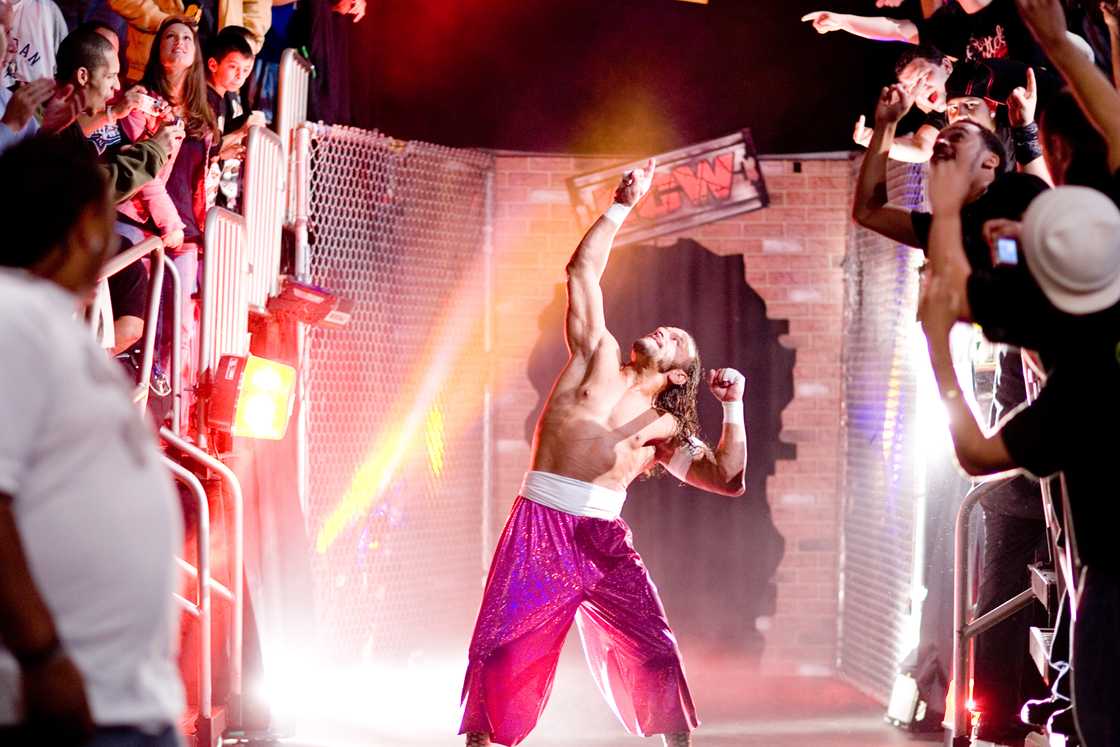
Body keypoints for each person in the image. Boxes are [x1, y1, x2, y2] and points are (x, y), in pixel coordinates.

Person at [459, 161, 748, 747]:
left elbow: (728, 480)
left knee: (655, 649)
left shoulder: (666, 427)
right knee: (499, 652)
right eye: (666, 327)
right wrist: (621, 205)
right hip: (540, 526)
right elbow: (581, 272)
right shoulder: (597, 353)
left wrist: (734, 407)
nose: (665, 329)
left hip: (602, 540)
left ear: (676, 376)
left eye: (676, 340)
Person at [0, 133, 185, 746]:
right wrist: (44, 656)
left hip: (120, 703)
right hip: (71, 706)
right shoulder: (13, 315)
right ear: (83, 226)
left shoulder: (52, 326)